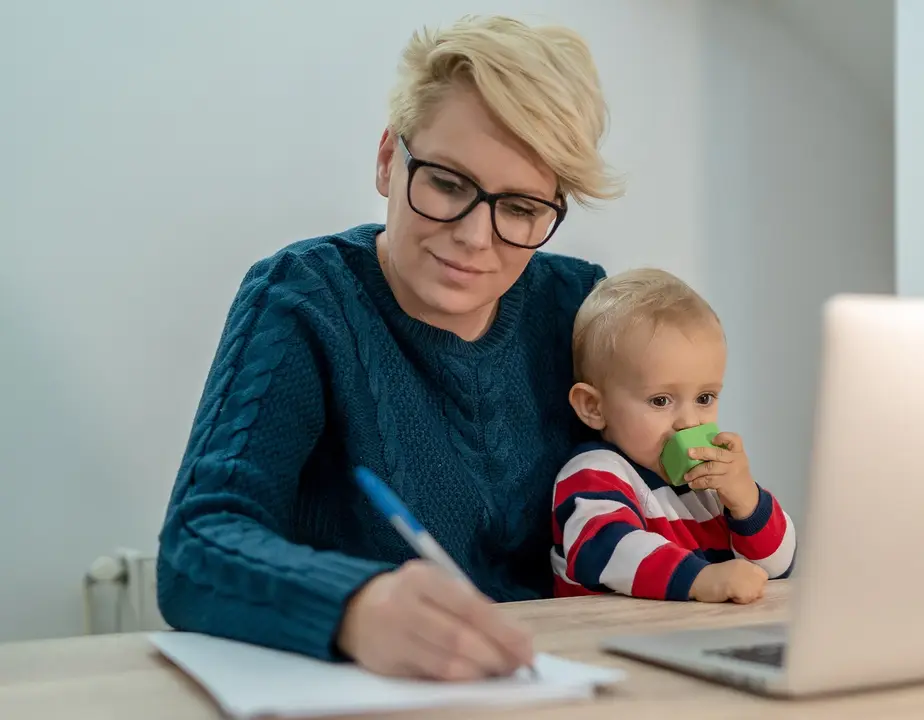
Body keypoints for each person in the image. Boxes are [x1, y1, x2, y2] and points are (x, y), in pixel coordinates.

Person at [156, 15, 622, 681]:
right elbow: (195, 546)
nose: (473, 237)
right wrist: (357, 606)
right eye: (447, 183)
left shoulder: (578, 305)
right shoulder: (304, 297)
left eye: (520, 208)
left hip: (556, 678)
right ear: (386, 161)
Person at [550, 269, 796, 603]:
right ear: (593, 406)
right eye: (661, 401)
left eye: (705, 398)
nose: (689, 422)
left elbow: (776, 567)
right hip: (608, 639)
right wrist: (700, 578)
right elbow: (606, 547)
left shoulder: (706, 488)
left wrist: (745, 500)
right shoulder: (595, 472)